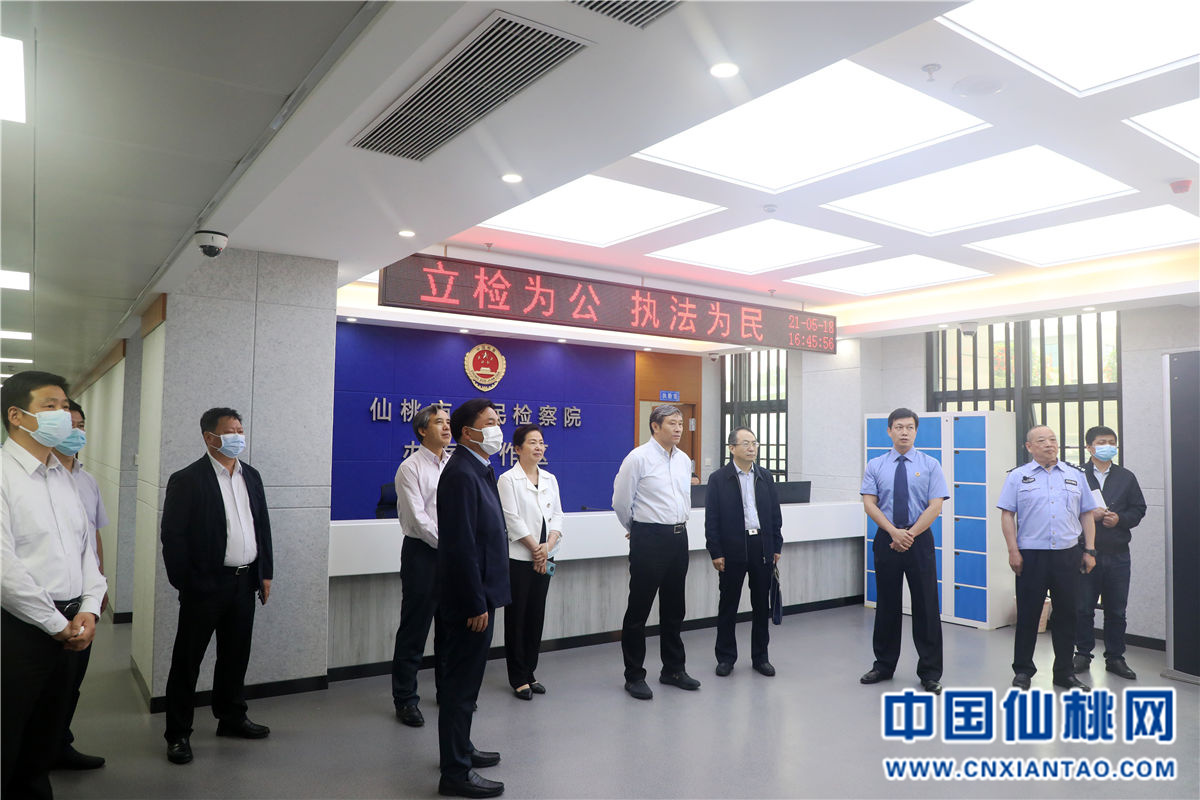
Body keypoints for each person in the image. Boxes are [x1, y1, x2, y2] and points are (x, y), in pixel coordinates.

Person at [2, 371, 107, 800]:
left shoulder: (64, 477)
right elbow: (4, 569)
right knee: (9, 733)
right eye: (50, 406)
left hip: (72, 625)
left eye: (66, 406)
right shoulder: (3, 475)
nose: (63, 415)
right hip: (19, 628)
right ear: (17, 416)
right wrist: (55, 624)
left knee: (46, 735)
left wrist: (90, 607)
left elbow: (87, 552)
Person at [161, 407, 274, 765]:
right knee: (187, 661)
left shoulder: (250, 475)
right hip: (205, 586)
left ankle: (231, 716)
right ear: (210, 437)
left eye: (240, 430)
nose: (238, 436)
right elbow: (173, 537)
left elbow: (262, 527)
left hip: (244, 582)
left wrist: (265, 573)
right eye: (231, 431)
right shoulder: (187, 479)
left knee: (235, 655)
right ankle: (178, 733)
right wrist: (187, 583)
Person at [435, 399, 510, 798]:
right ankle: (455, 773)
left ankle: (461, 749)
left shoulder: (478, 468)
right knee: (460, 687)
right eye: (490, 422)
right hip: (470, 600)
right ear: (468, 432)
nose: (498, 428)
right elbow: (460, 545)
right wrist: (474, 602)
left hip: (481, 593)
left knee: (468, 683)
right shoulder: (462, 474)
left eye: (498, 420)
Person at [998, 425, 1097, 691]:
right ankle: (1023, 671)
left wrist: (1089, 550)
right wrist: (1012, 550)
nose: (1049, 444)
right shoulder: (1018, 476)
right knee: (1028, 615)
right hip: (1031, 556)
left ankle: (1064, 673)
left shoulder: (1076, 475)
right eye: (1042, 440)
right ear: (1029, 447)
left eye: (1053, 439)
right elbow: (1007, 514)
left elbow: (1087, 513)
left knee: (1067, 615)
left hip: (1068, 554)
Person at [858, 408, 948, 695]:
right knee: (887, 603)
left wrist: (909, 534)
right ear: (889, 431)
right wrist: (893, 532)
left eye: (910, 427)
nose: (904, 432)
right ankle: (883, 665)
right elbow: (869, 503)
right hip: (887, 538)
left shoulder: (930, 464)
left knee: (926, 605)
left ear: (916, 431)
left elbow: (936, 505)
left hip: (918, 539)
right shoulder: (876, 465)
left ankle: (930, 672)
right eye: (899, 427)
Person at [612, 404, 698, 700]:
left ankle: (673, 669)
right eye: (672, 423)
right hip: (649, 538)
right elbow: (621, 501)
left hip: (679, 536)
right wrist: (637, 528)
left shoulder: (684, 460)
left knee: (675, 608)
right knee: (639, 609)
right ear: (655, 426)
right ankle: (634, 675)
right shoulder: (638, 458)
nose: (678, 428)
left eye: (681, 423)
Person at [50, 400, 108, 771]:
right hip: (47, 596)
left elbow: (94, 536)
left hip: (82, 596)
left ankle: (60, 745)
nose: (77, 432)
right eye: (69, 424)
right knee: (42, 682)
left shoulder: (88, 481)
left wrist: (100, 584)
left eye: (81, 425)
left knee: (73, 678)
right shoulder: (36, 479)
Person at [704, 426, 783, 678]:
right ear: (732, 448)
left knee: (761, 605)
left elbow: (775, 515)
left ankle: (761, 657)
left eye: (754, 443)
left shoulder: (765, 476)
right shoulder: (719, 479)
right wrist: (715, 551)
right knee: (729, 605)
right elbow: (711, 519)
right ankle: (726, 657)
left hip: (761, 547)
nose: (752, 448)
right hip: (732, 548)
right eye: (746, 443)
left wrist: (776, 546)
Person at [392, 404, 452, 727]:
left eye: (448, 422)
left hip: (453, 556)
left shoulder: (454, 464)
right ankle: (405, 699)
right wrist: (454, 546)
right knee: (414, 630)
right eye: (439, 422)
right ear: (422, 430)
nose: (446, 427)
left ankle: (447, 691)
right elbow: (419, 519)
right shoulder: (410, 468)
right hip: (422, 554)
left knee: (450, 628)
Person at [497, 424, 564, 700]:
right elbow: (511, 519)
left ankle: (530, 671)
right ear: (517, 448)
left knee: (536, 615)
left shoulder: (550, 478)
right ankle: (517, 677)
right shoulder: (507, 480)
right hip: (520, 558)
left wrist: (547, 546)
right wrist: (536, 549)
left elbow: (558, 515)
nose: (538, 447)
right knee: (518, 617)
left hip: (546, 554)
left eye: (541, 442)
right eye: (532, 442)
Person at [1074, 426, 1146, 680]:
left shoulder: (1126, 477)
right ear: (1089, 447)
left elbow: (1139, 509)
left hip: (1118, 553)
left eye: (1112, 442)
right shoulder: (1077, 475)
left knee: (1116, 610)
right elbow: (1064, 508)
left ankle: (1115, 657)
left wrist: (1120, 519)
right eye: (1102, 442)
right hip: (1085, 552)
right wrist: (1088, 516)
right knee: (1083, 607)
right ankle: (1082, 654)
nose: (1108, 446)